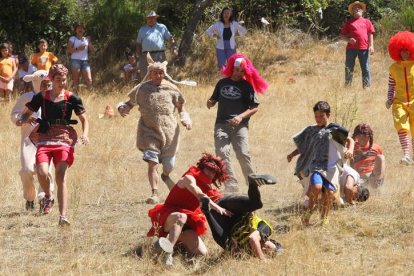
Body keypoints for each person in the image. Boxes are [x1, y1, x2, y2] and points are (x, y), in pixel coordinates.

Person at [16, 64, 89, 226]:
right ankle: (48, 196)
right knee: (41, 172)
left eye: (63, 80)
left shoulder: (72, 98)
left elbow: (84, 119)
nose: (61, 83)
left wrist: (85, 134)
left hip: (64, 137)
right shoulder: (41, 97)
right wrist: (23, 120)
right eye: (58, 80)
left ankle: (63, 216)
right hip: (44, 136)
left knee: (60, 176)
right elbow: (25, 114)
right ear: (51, 79)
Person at [117, 53, 192, 204]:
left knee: (169, 165)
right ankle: (155, 193)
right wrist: (122, 108)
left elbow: (181, 108)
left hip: (170, 132)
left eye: (161, 73)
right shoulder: (141, 89)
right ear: (149, 74)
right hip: (148, 132)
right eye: (155, 73)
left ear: (164, 74)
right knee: (152, 162)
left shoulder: (172, 89)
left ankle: (165, 175)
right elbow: (129, 104)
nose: (158, 75)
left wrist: (185, 118)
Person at [146, 153, 231, 266]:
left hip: (186, 225)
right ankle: (167, 254)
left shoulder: (208, 188)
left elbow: (218, 199)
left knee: (202, 254)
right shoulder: (188, 178)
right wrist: (215, 207)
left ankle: (169, 242)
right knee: (181, 216)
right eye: (209, 169)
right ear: (202, 168)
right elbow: (198, 192)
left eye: (214, 171)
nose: (211, 173)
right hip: (169, 217)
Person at [207, 53, 268, 193]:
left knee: (243, 153)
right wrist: (210, 102)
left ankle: (252, 183)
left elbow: (255, 108)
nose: (238, 73)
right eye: (236, 70)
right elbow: (213, 99)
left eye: (242, 71)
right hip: (222, 124)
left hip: (240, 126)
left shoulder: (247, 86)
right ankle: (231, 183)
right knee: (222, 153)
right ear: (231, 68)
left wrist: (240, 117)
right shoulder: (222, 83)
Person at [287, 101, 355, 226]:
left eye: (321, 116)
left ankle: (324, 217)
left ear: (329, 115)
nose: (318, 119)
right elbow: (304, 147)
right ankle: (308, 212)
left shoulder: (334, 129)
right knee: (316, 187)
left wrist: (350, 150)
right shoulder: (312, 130)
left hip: (331, 167)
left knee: (329, 193)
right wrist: (292, 154)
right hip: (316, 165)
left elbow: (350, 140)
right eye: (316, 116)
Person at [200, 174, 281, 260]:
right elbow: (253, 238)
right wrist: (262, 259)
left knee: (229, 246)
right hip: (234, 210)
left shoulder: (246, 251)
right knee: (257, 204)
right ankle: (253, 183)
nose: (263, 249)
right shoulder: (266, 229)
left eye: (265, 252)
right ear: (270, 241)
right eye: (267, 248)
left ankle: (206, 210)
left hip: (222, 221)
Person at [10, 70, 55, 211]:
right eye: (43, 83)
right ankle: (30, 198)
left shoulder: (55, 97)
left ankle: (45, 198)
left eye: (48, 83)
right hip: (28, 141)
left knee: (45, 171)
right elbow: (15, 114)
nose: (46, 86)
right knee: (26, 170)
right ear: (35, 82)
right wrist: (21, 120)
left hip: (47, 139)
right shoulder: (26, 98)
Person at [386, 31, 414, 165]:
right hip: (399, 102)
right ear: (397, 51)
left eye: (407, 50)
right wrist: (389, 98)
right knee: (401, 127)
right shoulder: (393, 68)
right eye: (402, 50)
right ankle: (406, 155)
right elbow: (391, 86)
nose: (405, 53)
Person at [340, 1, 375, 89]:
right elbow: (341, 36)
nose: (357, 9)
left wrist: (371, 46)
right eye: (355, 8)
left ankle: (366, 87)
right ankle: (347, 87)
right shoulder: (349, 23)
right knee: (349, 68)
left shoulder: (367, 21)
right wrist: (348, 39)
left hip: (364, 48)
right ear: (352, 11)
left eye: (358, 8)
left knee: (366, 69)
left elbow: (370, 33)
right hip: (351, 49)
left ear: (362, 10)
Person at [136, 11, 178, 79]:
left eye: (153, 18)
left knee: (161, 74)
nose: (151, 19)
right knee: (145, 75)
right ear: (146, 19)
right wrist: (138, 55)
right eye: (149, 18)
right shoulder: (142, 29)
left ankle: (160, 89)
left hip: (160, 55)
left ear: (156, 18)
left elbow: (170, 38)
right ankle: (147, 89)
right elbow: (138, 43)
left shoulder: (162, 27)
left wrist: (174, 47)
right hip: (145, 55)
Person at [66, 23, 96, 92]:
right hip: (75, 61)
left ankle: (93, 96)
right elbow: (68, 50)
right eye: (78, 28)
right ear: (75, 30)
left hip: (85, 61)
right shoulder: (72, 38)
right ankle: (74, 97)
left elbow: (93, 50)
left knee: (89, 79)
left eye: (82, 28)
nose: (80, 29)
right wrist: (78, 48)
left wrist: (89, 42)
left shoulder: (86, 39)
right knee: (76, 80)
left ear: (84, 30)